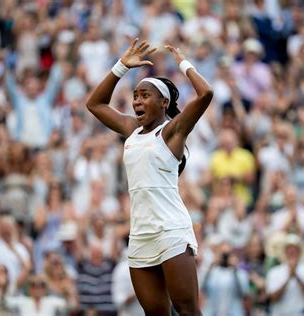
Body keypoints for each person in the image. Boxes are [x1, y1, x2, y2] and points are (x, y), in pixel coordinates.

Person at [85, 38, 213, 316]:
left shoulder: (172, 131)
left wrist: (184, 64)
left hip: (171, 230)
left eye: (145, 95)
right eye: (135, 96)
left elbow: (205, 94)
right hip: (140, 233)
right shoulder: (131, 128)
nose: (137, 101)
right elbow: (94, 104)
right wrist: (121, 66)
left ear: (164, 102)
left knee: (187, 309)